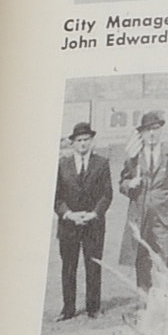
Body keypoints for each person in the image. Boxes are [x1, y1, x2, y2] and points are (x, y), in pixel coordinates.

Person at [117, 112, 168, 292]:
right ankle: (144, 301)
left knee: (166, 256)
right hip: (140, 216)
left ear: (161, 131)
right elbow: (122, 183)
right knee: (141, 257)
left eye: (155, 129)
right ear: (141, 133)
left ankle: (167, 298)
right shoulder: (134, 158)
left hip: (165, 217)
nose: (152, 134)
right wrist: (130, 183)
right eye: (148, 130)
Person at [53, 123, 111, 320]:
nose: (83, 144)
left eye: (86, 139)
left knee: (93, 266)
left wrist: (95, 213)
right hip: (69, 225)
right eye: (79, 140)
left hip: (93, 224)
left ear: (91, 141)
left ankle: (93, 307)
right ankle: (68, 308)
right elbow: (56, 198)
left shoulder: (102, 163)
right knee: (69, 267)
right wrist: (68, 214)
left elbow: (106, 194)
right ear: (72, 143)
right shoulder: (62, 165)